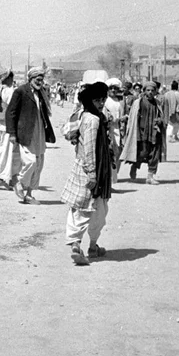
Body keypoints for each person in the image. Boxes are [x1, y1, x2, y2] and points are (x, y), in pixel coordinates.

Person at [61, 82, 112, 266]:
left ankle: (90, 246)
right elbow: (89, 148)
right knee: (89, 209)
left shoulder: (87, 115)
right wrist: (92, 173)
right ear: (90, 100)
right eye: (97, 99)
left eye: (103, 99)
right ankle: (80, 246)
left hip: (92, 169)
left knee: (88, 209)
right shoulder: (92, 119)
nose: (101, 103)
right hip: (91, 170)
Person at [5, 67, 56, 204]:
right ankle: (18, 181)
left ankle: (29, 194)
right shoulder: (21, 91)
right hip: (25, 133)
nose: (40, 82)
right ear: (31, 79)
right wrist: (12, 133)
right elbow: (11, 113)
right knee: (30, 162)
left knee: (38, 164)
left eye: (41, 79)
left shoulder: (41, 93)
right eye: (37, 79)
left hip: (39, 131)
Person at [121, 80, 164, 185]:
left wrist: (159, 120)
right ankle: (134, 167)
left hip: (154, 132)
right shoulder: (138, 102)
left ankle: (150, 176)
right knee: (142, 153)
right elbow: (133, 118)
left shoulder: (157, 103)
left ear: (155, 92)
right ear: (144, 91)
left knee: (154, 154)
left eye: (152, 90)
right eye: (148, 90)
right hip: (141, 133)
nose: (150, 92)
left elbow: (161, 116)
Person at [0, 71, 20, 190]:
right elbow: (13, 108)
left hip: (1, 125)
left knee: (6, 152)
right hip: (7, 126)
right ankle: (1, 179)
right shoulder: (9, 91)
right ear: (9, 79)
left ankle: (11, 178)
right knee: (7, 153)